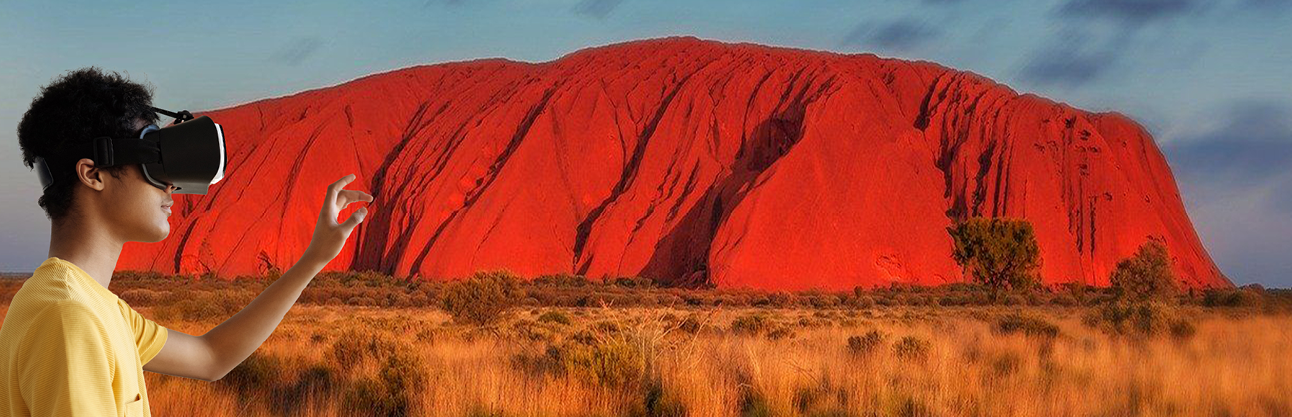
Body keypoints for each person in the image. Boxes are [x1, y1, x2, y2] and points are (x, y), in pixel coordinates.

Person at [0, 67, 372, 416]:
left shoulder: (92, 307)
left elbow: (210, 356)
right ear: (93, 173)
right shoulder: (70, 317)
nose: (171, 184)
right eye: (154, 161)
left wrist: (313, 260)